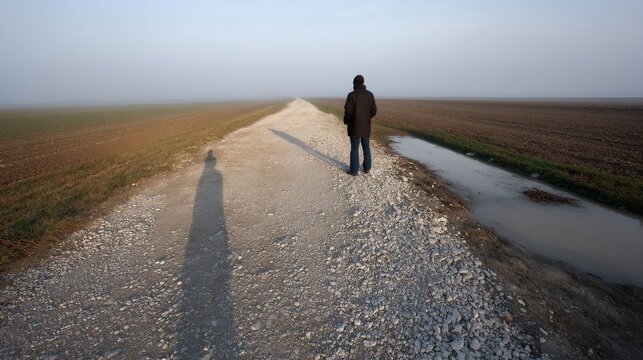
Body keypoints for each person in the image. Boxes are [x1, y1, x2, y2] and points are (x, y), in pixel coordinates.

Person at [343, 74, 377, 176]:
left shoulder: (351, 95)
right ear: (363, 83)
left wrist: (347, 121)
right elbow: (374, 111)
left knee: (354, 147)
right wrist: (367, 118)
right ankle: (367, 168)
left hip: (354, 127)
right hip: (366, 126)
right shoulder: (370, 95)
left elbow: (348, 112)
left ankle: (354, 170)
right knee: (366, 147)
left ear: (354, 83)